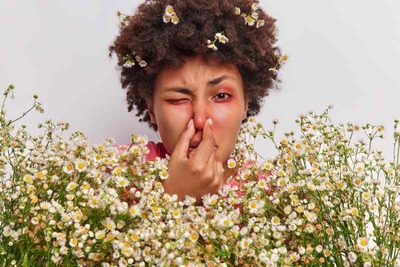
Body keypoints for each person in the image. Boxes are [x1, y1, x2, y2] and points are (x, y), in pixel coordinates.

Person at [109, 0, 282, 203]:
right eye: (178, 99)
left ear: (246, 104)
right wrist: (173, 194)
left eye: (222, 96)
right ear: (152, 109)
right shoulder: (112, 171)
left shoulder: (274, 198)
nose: (199, 120)